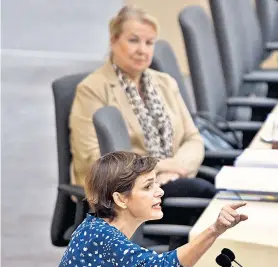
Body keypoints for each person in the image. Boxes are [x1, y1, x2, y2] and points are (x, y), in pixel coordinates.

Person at [53, 151, 248, 267]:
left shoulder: (93, 228)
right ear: (120, 199)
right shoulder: (103, 241)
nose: (160, 192)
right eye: (148, 186)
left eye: (156, 183)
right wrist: (214, 230)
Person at [69, 5, 216, 201]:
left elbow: (193, 138)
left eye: (149, 43)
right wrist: (159, 167)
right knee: (210, 197)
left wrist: (175, 170)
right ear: (113, 41)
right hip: (123, 194)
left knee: (223, 191)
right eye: (133, 41)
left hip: (169, 181)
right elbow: (94, 160)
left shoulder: (164, 82)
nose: (142, 50)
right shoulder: (92, 89)